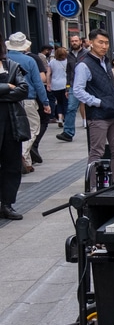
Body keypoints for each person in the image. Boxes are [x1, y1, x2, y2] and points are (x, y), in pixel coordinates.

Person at [73, 29, 114, 186]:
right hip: (98, 115)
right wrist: (97, 102)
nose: (104, 46)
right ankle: (93, 187)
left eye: (106, 43)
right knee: (97, 152)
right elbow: (77, 90)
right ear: (90, 43)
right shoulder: (84, 65)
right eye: (100, 42)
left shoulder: (106, 61)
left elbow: (109, 86)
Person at [5, 33, 49, 174]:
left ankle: (27, 163)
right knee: (33, 129)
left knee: (14, 130)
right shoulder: (29, 60)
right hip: (27, 99)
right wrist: (45, 102)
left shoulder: (4, 59)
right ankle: (22, 155)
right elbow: (38, 82)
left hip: (8, 99)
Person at [0, 41, 29, 220]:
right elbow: (15, 90)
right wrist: (7, 87)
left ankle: (7, 204)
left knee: (12, 166)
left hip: (12, 122)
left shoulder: (11, 65)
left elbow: (23, 89)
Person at [55, 33, 88, 142]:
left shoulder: (87, 54)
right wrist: (67, 88)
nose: (74, 43)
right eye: (72, 41)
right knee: (71, 108)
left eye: (76, 41)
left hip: (87, 84)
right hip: (74, 85)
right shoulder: (68, 55)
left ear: (80, 42)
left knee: (92, 107)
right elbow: (68, 73)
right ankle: (68, 133)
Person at [48, 46, 69, 127]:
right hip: (65, 84)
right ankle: (67, 120)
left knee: (59, 102)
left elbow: (48, 73)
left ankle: (60, 117)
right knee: (66, 103)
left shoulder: (52, 62)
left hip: (55, 85)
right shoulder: (67, 61)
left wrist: (49, 84)